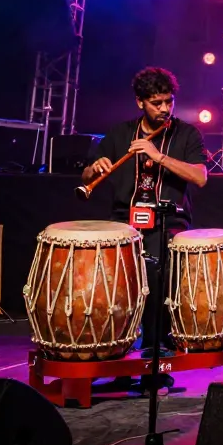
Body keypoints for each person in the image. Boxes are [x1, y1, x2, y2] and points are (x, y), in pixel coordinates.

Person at [82, 67, 208, 369]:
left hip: (168, 222)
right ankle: (117, 359)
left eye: (169, 101)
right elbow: (86, 175)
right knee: (114, 289)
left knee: (156, 277)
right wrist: (94, 169)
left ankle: (157, 358)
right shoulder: (120, 133)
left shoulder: (187, 133)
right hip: (124, 222)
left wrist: (158, 156)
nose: (164, 108)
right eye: (156, 103)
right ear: (140, 102)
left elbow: (200, 177)